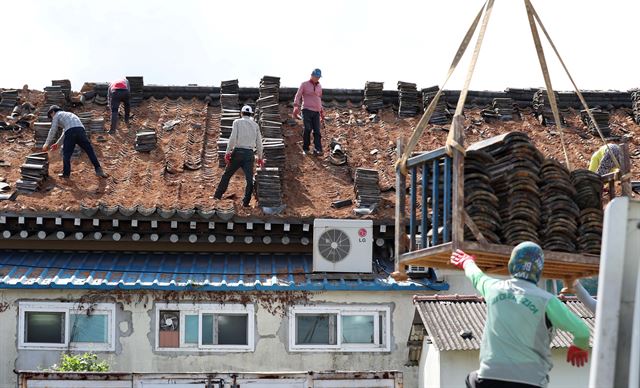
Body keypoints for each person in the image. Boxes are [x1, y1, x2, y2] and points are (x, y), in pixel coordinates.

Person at [450, 242, 591, 388]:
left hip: (490, 378)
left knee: (471, 379)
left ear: (512, 265)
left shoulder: (494, 289)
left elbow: (476, 276)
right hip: (530, 382)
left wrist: (467, 261)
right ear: (538, 271)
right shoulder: (547, 301)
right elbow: (582, 331)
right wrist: (579, 347)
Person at [213, 105, 264, 207]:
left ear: (241, 113)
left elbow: (232, 138)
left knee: (227, 175)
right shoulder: (255, 125)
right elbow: (259, 143)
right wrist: (260, 157)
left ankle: (217, 196)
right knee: (249, 179)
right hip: (249, 154)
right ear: (251, 114)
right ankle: (246, 202)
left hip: (238, 152)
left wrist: (227, 152)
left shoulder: (237, 122)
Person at [42, 105, 108, 179]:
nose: (51, 118)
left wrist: (46, 143)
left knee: (66, 154)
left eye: (51, 116)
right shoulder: (69, 114)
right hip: (81, 131)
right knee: (90, 151)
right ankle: (99, 170)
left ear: (53, 112)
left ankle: (66, 174)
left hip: (71, 132)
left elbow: (53, 129)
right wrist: (57, 143)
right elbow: (66, 131)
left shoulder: (57, 115)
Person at [293, 68, 324, 156]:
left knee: (317, 131)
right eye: (316, 76)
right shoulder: (304, 84)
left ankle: (318, 149)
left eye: (318, 77)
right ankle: (306, 148)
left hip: (316, 111)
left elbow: (319, 99)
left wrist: (321, 111)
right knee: (308, 128)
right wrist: (296, 106)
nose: (317, 78)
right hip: (306, 110)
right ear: (312, 75)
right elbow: (298, 95)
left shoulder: (319, 86)